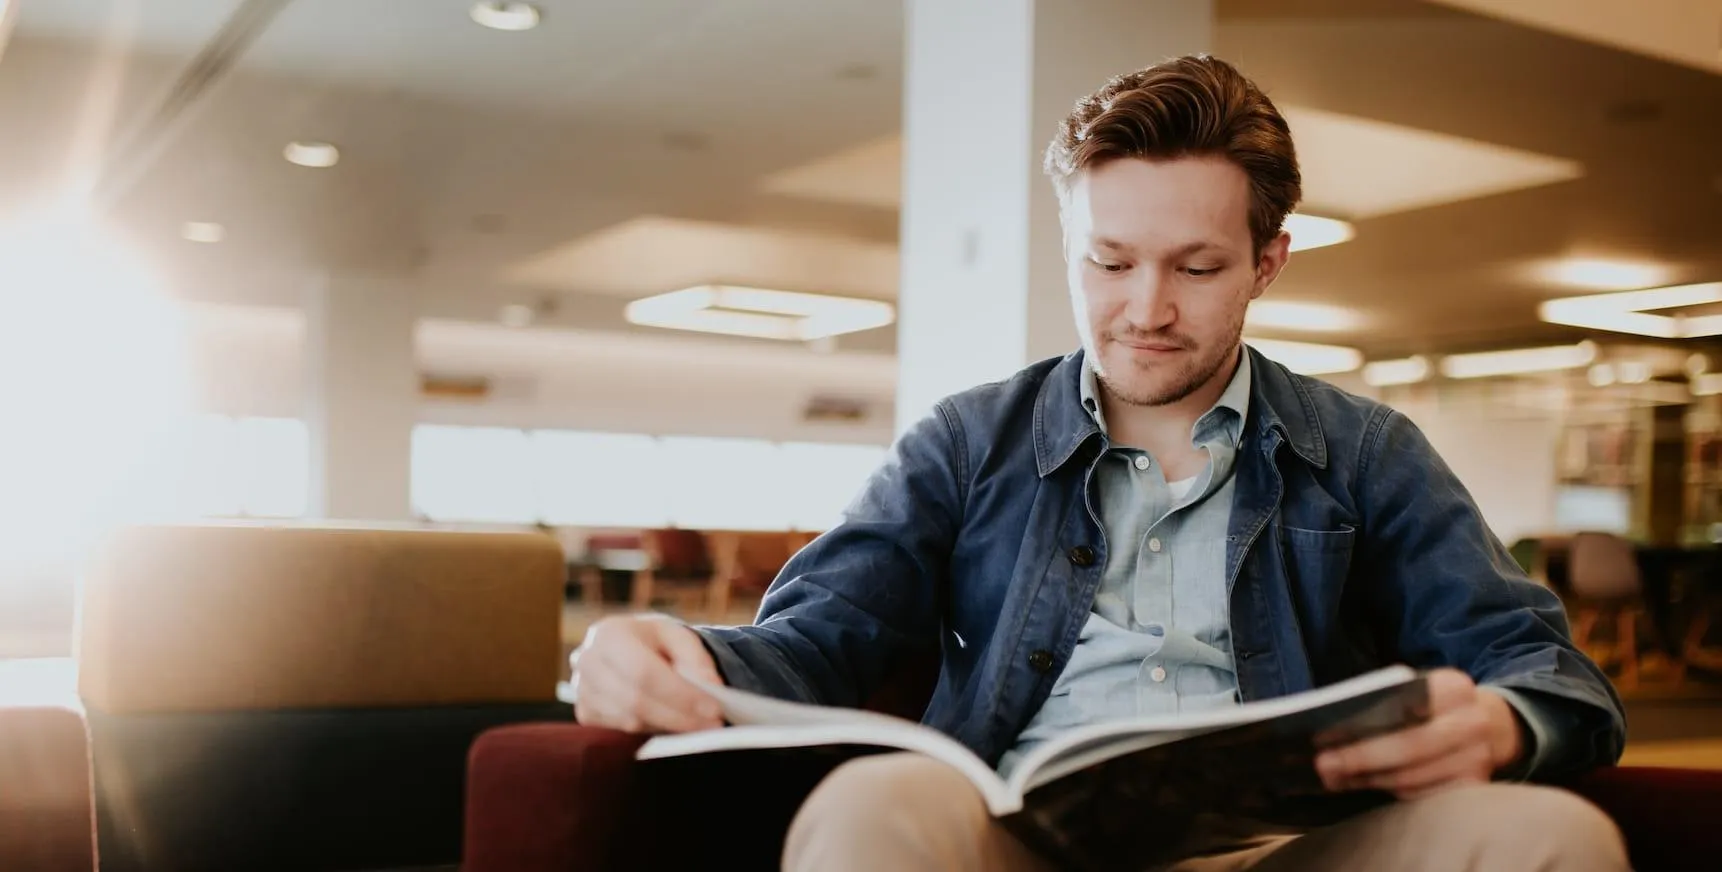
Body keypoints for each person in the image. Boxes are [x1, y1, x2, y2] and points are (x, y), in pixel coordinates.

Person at [569, 55, 1628, 872]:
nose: (1145, 309)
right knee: (867, 807)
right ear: (1071, 244)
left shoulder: (1366, 452)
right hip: (1016, 839)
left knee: (1555, 838)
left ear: (1267, 262)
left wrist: (1503, 722)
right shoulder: (968, 440)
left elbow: (1546, 670)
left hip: (1286, 849)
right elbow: (816, 639)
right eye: (1110, 262)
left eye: (1197, 268)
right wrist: (674, 653)